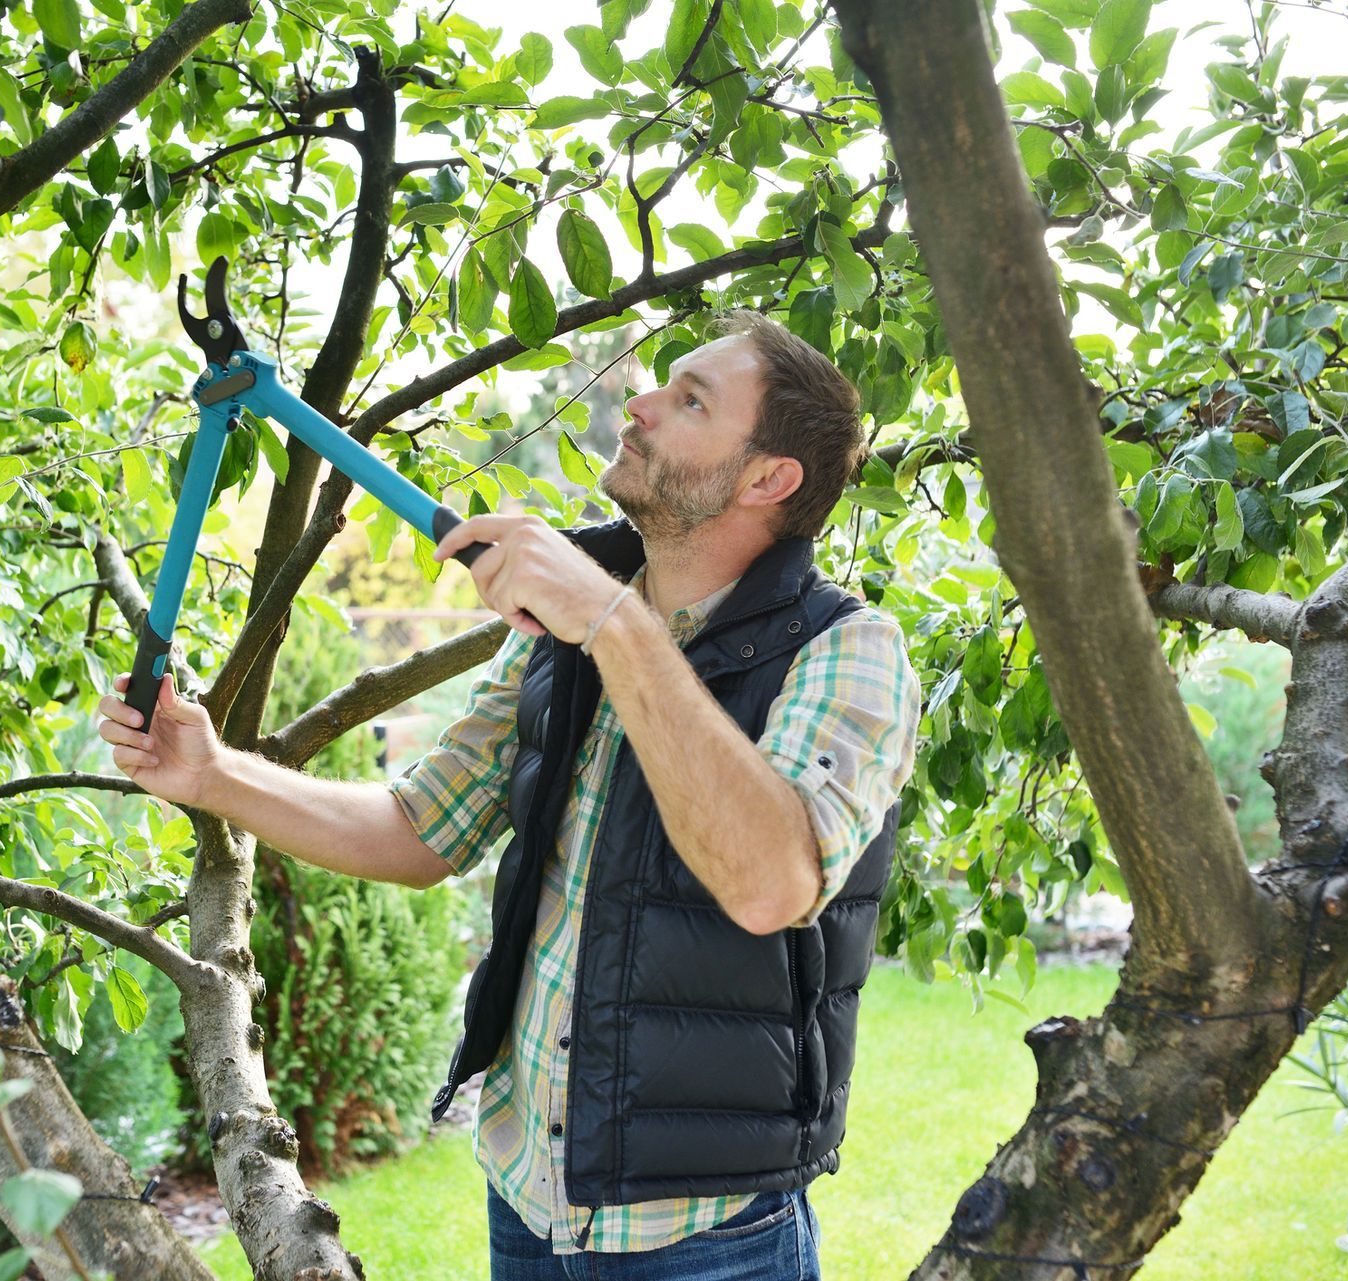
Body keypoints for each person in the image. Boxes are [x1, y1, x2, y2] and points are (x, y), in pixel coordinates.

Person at [97, 309, 922, 1280]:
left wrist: (613, 625)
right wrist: (215, 774)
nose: (641, 405)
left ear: (766, 478)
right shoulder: (566, 631)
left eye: (689, 399)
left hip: (706, 1240)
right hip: (526, 1203)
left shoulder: (848, 651)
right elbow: (419, 828)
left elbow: (769, 883)